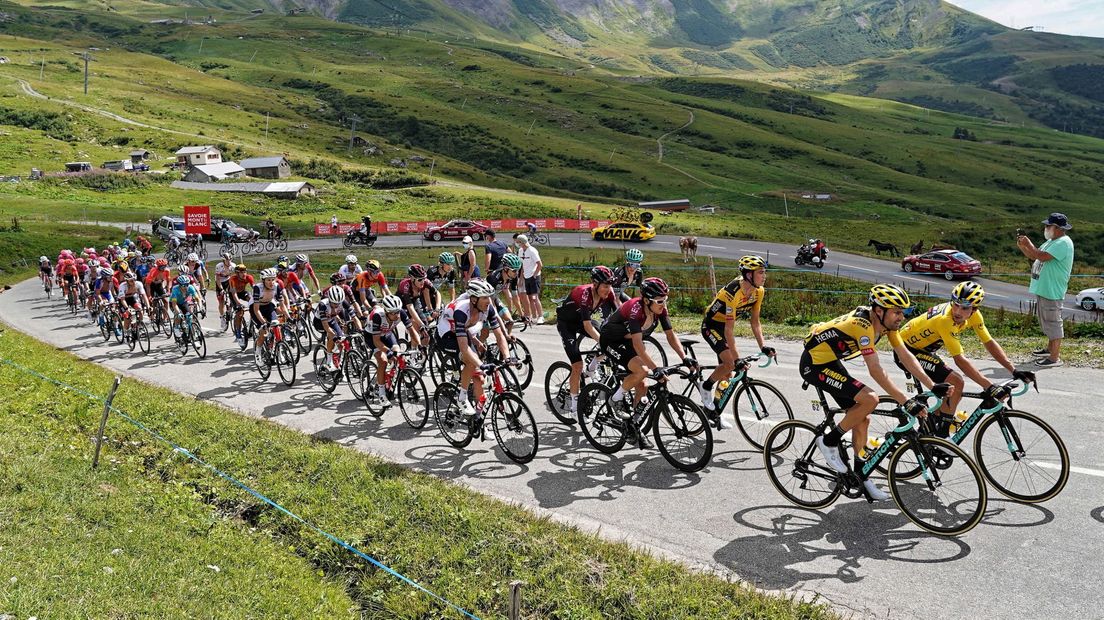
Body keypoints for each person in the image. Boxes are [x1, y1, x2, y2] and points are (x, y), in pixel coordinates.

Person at [802, 284, 944, 501]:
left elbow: (906, 356)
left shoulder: (887, 326)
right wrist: (906, 401)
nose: (901, 318)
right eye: (897, 312)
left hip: (830, 362)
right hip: (814, 365)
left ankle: (861, 474)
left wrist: (932, 385)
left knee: (863, 420)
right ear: (879, 310)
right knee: (870, 399)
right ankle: (829, 441)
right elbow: (875, 370)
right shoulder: (862, 326)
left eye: (903, 312)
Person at [891, 281, 1036, 434]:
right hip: (905, 351)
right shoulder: (945, 320)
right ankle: (942, 434)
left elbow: (988, 342)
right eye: (955, 304)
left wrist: (1013, 370)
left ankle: (933, 424)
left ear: (974, 309)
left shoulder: (975, 316)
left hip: (924, 350)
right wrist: (989, 386)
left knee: (951, 389)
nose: (958, 311)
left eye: (965, 308)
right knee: (956, 381)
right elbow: (959, 359)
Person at [698, 255, 775, 426]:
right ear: (748, 275)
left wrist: (763, 346)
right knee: (731, 364)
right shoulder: (732, 293)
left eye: (764, 272)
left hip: (725, 328)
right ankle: (706, 385)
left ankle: (714, 412)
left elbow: (755, 323)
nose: (764, 276)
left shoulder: (759, 291)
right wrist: (737, 358)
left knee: (727, 375)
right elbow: (729, 330)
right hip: (712, 327)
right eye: (761, 272)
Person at [437, 279, 510, 417]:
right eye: (484, 298)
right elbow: (464, 349)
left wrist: (508, 357)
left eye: (489, 297)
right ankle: (462, 398)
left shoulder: (487, 308)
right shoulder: (461, 311)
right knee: (471, 362)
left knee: (480, 379)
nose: (488, 301)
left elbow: (500, 336)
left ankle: (479, 420)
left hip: (464, 330)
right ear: (474, 299)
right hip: (446, 335)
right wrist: (481, 365)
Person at [556, 266, 619, 414]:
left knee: (611, 341)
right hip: (567, 325)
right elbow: (588, 326)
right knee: (577, 365)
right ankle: (573, 406)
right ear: (595, 284)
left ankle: (592, 366)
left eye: (610, 286)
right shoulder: (584, 294)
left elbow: (618, 316)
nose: (608, 289)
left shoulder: (608, 294)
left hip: (583, 321)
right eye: (605, 286)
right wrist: (603, 343)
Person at [1018, 213, 1075, 368]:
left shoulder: (1063, 242)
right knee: (1047, 322)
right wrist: (1023, 247)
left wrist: (1028, 244)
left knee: (1053, 322)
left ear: (1057, 228)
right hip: (1044, 288)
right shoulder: (1052, 241)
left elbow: (1041, 256)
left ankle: (1054, 358)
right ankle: (1049, 350)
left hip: (1052, 289)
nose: (1045, 228)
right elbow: (1034, 256)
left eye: (1048, 226)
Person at [364, 294, 415, 403]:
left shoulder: (400, 313)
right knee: (383, 361)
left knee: (399, 356)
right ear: (386, 312)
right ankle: (382, 394)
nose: (397, 315)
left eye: (398, 311)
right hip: (372, 337)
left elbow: (411, 331)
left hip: (387, 333)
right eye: (393, 313)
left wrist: (420, 346)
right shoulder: (377, 316)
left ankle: (387, 380)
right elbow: (376, 341)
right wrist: (388, 352)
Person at [251, 268, 289, 359]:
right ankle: (258, 352)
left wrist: (289, 317)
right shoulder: (257, 288)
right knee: (263, 332)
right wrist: (263, 323)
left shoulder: (277, 286)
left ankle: (279, 350)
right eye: (268, 280)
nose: (271, 282)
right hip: (256, 308)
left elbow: (282, 305)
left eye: (273, 279)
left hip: (269, 305)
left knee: (276, 324)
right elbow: (256, 310)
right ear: (263, 281)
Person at [516, 234, 544, 324]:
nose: (517, 244)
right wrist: (521, 278)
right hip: (526, 276)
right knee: (530, 298)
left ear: (522, 242)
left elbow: (540, 264)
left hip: (534, 277)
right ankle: (534, 316)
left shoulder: (532, 251)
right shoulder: (520, 251)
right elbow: (522, 266)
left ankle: (541, 316)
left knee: (535, 297)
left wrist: (535, 274)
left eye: (518, 242)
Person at [227, 264, 256, 347]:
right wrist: (239, 304)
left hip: (243, 292)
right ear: (237, 273)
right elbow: (234, 293)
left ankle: (251, 326)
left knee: (252, 302)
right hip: (233, 294)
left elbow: (255, 288)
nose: (244, 274)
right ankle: (238, 334)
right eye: (241, 272)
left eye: (245, 272)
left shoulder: (248, 277)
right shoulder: (233, 279)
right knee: (239, 312)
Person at [168, 274, 200, 338]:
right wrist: (179, 313)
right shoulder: (175, 290)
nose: (186, 287)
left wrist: (200, 308)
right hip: (174, 303)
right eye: (183, 285)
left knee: (190, 317)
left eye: (187, 284)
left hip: (183, 302)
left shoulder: (190, 287)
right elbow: (174, 304)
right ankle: (176, 328)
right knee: (178, 315)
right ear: (179, 285)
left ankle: (193, 336)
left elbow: (197, 298)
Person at [213, 252, 235, 328]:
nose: (229, 262)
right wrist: (221, 289)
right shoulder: (219, 266)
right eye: (227, 260)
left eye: (230, 260)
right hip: (220, 282)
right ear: (223, 260)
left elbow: (232, 278)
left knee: (233, 295)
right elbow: (218, 279)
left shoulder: (233, 266)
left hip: (228, 280)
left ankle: (230, 309)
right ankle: (222, 317)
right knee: (221, 301)